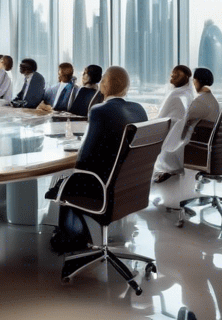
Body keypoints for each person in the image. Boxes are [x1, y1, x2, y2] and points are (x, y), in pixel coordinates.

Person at [45, 66, 148, 253]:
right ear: (127, 87)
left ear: (104, 86)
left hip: (102, 189)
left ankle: (70, 238)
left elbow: (83, 159)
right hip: (131, 188)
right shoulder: (139, 110)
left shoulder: (100, 111)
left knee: (66, 178)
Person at [154, 67, 220, 182]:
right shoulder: (213, 100)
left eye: (194, 80)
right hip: (207, 142)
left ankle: (168, 171)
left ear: (197, 81)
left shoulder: (201, 101)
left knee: (168, 149)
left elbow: (186, 118)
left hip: (197, 143)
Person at [153, 65, 196, 183]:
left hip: (172, 139)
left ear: (185, 78)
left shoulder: (174, 95)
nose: (172, 77)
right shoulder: (189, 94)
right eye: (172, 74)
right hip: (183, 138)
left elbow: (160, 118)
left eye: (176, 75)